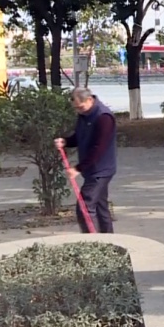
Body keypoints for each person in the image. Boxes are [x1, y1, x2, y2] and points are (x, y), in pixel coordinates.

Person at [54, 87, 118, 234]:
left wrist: (78, 168)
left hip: (101, 170)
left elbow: (99, 148)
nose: (79, 111)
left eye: (80, 107)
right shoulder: (84, 114)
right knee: (101, 207)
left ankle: (92, 244)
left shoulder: (104, 117)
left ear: (89, 100)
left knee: (84, 207)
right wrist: (65, 141)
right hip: (91, 170)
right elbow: (79, 136)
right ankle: (109, 240)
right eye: (76, 108)